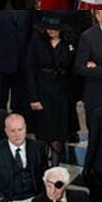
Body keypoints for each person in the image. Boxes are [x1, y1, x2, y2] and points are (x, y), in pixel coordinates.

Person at [25, 13, 75, 166]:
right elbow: (29, 69)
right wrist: (33, 98)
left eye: (55, 29)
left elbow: (73, 68)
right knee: (44, 132)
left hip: (62, 94)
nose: (51, 31)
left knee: (59, 133)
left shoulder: (69, 42)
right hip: (42, 92)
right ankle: (41, 167)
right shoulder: (36, 41)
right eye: (48, 28)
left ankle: (55, 167)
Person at [0, 114, 47, 202]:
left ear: (25, 128)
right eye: (13, 131)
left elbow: (45, 177)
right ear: (6, 131)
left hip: (34, 199)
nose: (17, 134)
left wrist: (40, 200)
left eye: (20, 129)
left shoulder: (37, 147)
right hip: (8, 201)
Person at [0, 11, 33, 117]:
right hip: (0, 63)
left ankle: (17, 131)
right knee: (0, 101)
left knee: (20, 102)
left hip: (23, 63)